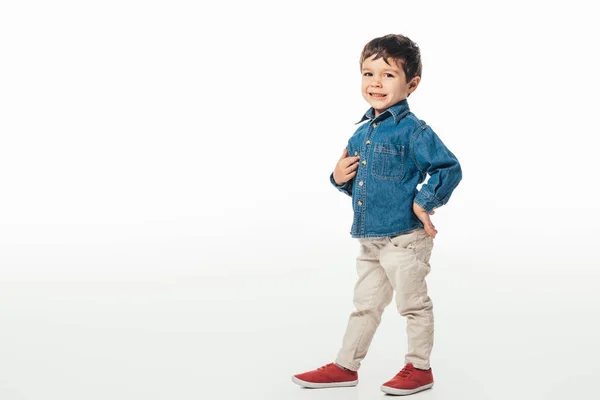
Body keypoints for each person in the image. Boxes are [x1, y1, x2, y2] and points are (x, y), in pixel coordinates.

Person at [291, 34, 462, 396]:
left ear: (411, 84)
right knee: (364, 306)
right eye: (368, 74)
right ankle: (345, 366)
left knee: (412, 304)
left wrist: (424, 201)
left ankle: (419, 368)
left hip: (405, 237)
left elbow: (449, 168)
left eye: (387, 75)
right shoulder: (359, 135)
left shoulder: (414, 132)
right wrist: (337, 179)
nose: (375, 83)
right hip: (370, 238)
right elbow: (362, 186)